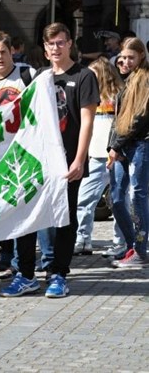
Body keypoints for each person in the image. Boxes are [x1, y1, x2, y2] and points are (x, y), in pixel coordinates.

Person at [1, 22, 98, 298]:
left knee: (63, 221)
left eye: (60, 42)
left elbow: (87, 123)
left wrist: (79, 160)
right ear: (44, 49)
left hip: (67, 161)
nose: (55, 48)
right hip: (39, 162)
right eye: (50, 44)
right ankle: (26, 274)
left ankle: (58, 274)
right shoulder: (40, 78)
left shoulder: (84, 76)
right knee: (29, 216)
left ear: (69, 44)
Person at [0, 31, 37, 280]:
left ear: (12, 51)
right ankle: (7, 255)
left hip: (28, 152)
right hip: (0, 156)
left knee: (25, 208)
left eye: (3, 51)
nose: (0, 57)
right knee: (2, 207)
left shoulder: (28, 75)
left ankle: (26, 261)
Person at [74, 57, 123, 256]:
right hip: (94, 155)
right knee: (84, 199)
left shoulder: (117, 95)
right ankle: (83, 239)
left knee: (119, 202)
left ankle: (120, 243)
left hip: (115, 155)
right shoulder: (86, 97)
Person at [107, 37, 149, 268]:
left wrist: (116, 145)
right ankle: (133, 245)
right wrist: (112, 147)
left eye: (131, 57)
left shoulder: (145, 80)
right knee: (115, 198)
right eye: (123, 57)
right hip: (124, 145)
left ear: (141, 56)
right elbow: (118, 118)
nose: (126, 61)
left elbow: (139, 118)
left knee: (137, 196)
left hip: (141, 143)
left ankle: (140, 251)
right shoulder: (129, 79)